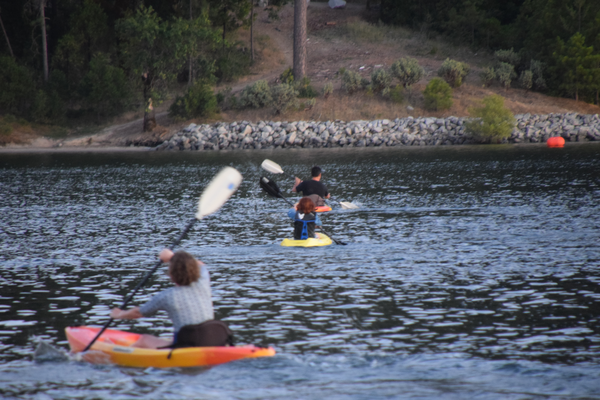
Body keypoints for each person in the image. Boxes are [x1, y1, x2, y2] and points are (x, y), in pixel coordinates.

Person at [110, 249, 215, 349]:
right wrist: (171, 256)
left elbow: (138, 313)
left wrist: (119, 314)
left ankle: (117, 351)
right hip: (212, 341)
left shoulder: (167, 296)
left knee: (144, 340)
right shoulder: (203, 281)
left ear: (171, 275)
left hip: (184, 348)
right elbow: (200, 264)